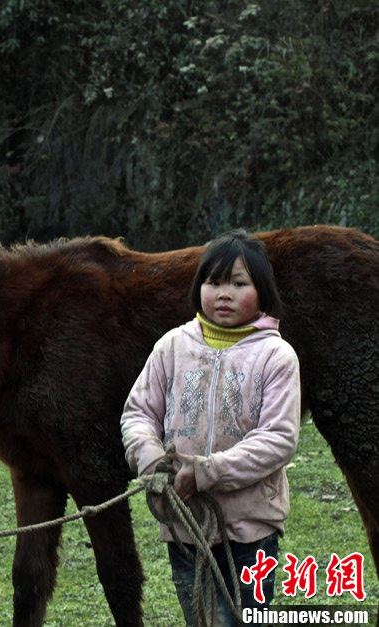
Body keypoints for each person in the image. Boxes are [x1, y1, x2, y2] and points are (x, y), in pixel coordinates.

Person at [121, 229, 301, 626]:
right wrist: (151, 462)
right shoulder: (172, 346)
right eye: (214, 282)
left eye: (239, 283)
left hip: (250, 530)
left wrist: (207, 471)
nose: (224, 293)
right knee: (199, 619)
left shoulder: (276, 356)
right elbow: (138, 413)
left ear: (263, 292)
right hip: (186, 526)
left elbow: (279, 438)